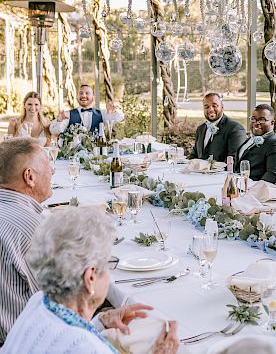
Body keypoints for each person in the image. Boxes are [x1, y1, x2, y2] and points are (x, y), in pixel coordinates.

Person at [2, 208, 180, 353]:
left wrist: (99, 322)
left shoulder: (39, 302)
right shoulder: (87, 348)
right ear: (90, 278)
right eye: (109, 263)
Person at [0, 138, 54, 344]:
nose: (53, 173)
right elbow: (59, 304)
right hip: (24, 341)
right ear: (29, 177)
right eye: (49, 167)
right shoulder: (32, 229)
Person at [235, 104, 276, 184]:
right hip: (239, 186)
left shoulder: (275, 144)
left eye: (262, 120)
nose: (256, 123)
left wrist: (251, 190)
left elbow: (274, 175)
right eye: (253, 119)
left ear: (272, 123)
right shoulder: (250, 139)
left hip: (255, 192)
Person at [188, 92, 247, 162]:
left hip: (223, 172)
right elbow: (194, 156)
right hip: (198, 172)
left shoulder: (235, 128)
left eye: (214, 106)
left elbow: (234, 160)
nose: (210, 110)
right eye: (206, 107)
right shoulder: (200, 129)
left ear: (222, 106)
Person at [50, 84, 124, 136]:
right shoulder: (67, 114)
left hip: (97, 154)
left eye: (87, 93)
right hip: (73, 156)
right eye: (81, 93)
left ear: (93, 97)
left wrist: (113, 111)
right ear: (77, 97)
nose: (83, 95)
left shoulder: (102, 113)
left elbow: (119, 118)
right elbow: (55, 132)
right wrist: (59, 121)